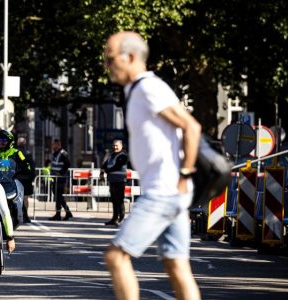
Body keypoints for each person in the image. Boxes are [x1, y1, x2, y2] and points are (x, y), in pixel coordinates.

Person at [102, 32, 202, 300]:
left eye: (110, 59)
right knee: (176, 264)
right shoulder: (134, 90)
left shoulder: (149, 88)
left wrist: (185, 174)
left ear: (131, 57)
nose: (106, 65)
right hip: (172, 192)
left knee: (116, 256)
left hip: (163, 191)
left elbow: (191, 126)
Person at [0, 130, 33, 229]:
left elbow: (26, 164)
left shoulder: (17, 152)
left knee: (19, 198)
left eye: (4, 140)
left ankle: (20, 214)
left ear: (10, 141)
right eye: (0, 140)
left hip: (12, 180)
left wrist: (25, 170)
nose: (2, 142)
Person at [101, 139, 128, 226]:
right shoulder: (111, 155)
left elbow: (117, 166)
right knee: (114, 200)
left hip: (119, 181)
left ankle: (121, 218)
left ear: (121, 146)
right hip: (112, 180)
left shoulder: (123, 155)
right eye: (114, 145)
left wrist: (107, 170)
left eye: (117, 145)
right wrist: (103, 170)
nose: (115, 147)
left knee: (119, 200)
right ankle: (114, 218)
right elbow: (105, 165)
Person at [49, 139, 72, 221]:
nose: (53, 146)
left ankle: (58, 214)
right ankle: (67, 212)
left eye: (54, 145)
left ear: (58, 145)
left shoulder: (63, 154)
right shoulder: (55, 154)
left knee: (58, 197)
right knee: (58, 197)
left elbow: (68, 164)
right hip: (55, 178)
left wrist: (61, 173)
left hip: (61, 179)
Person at [15, 137, 36, 223]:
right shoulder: (28, 153)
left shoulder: (15, 153)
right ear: (25, 144)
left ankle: (18, 215)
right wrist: (32, 177)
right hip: (27, 178)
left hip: (17, 177)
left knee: (16, 197)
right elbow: (32, 166)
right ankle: (25, 215)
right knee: (25, 197)